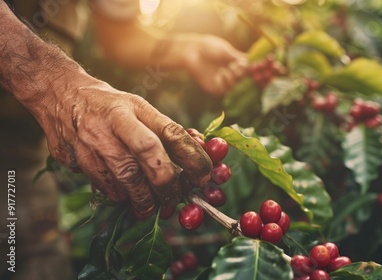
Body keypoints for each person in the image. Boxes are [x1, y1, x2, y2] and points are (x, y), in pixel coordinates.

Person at [0, 0, 247, 279]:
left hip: (22, 145)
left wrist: (184, 48)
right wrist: (52, 84)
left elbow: (118, 33)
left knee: (40, 258)